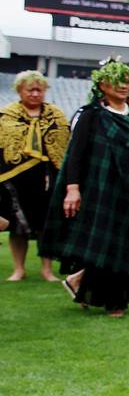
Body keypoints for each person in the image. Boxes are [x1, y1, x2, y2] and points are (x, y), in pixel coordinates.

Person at [40, 60, 129, 316]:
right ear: (102, 85)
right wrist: (72, 188)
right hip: (102, 190)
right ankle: (112, 301)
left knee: (127, 244)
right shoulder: (92, 115)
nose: (123, 86)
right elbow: (75, 154)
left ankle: (89, 285)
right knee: (104, 245)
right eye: (116, 81)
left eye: (126, 82)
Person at [0, 71, 68, 282]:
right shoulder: (7, 116)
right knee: (18, 226)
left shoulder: (56, 115)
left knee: (45, 226)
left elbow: (63, 146)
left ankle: (47, 270)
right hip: (15, 179)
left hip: (49, 178)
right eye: (30, 89)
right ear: (20, 91)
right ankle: (18, 269)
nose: (35, 94)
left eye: (39, 89)